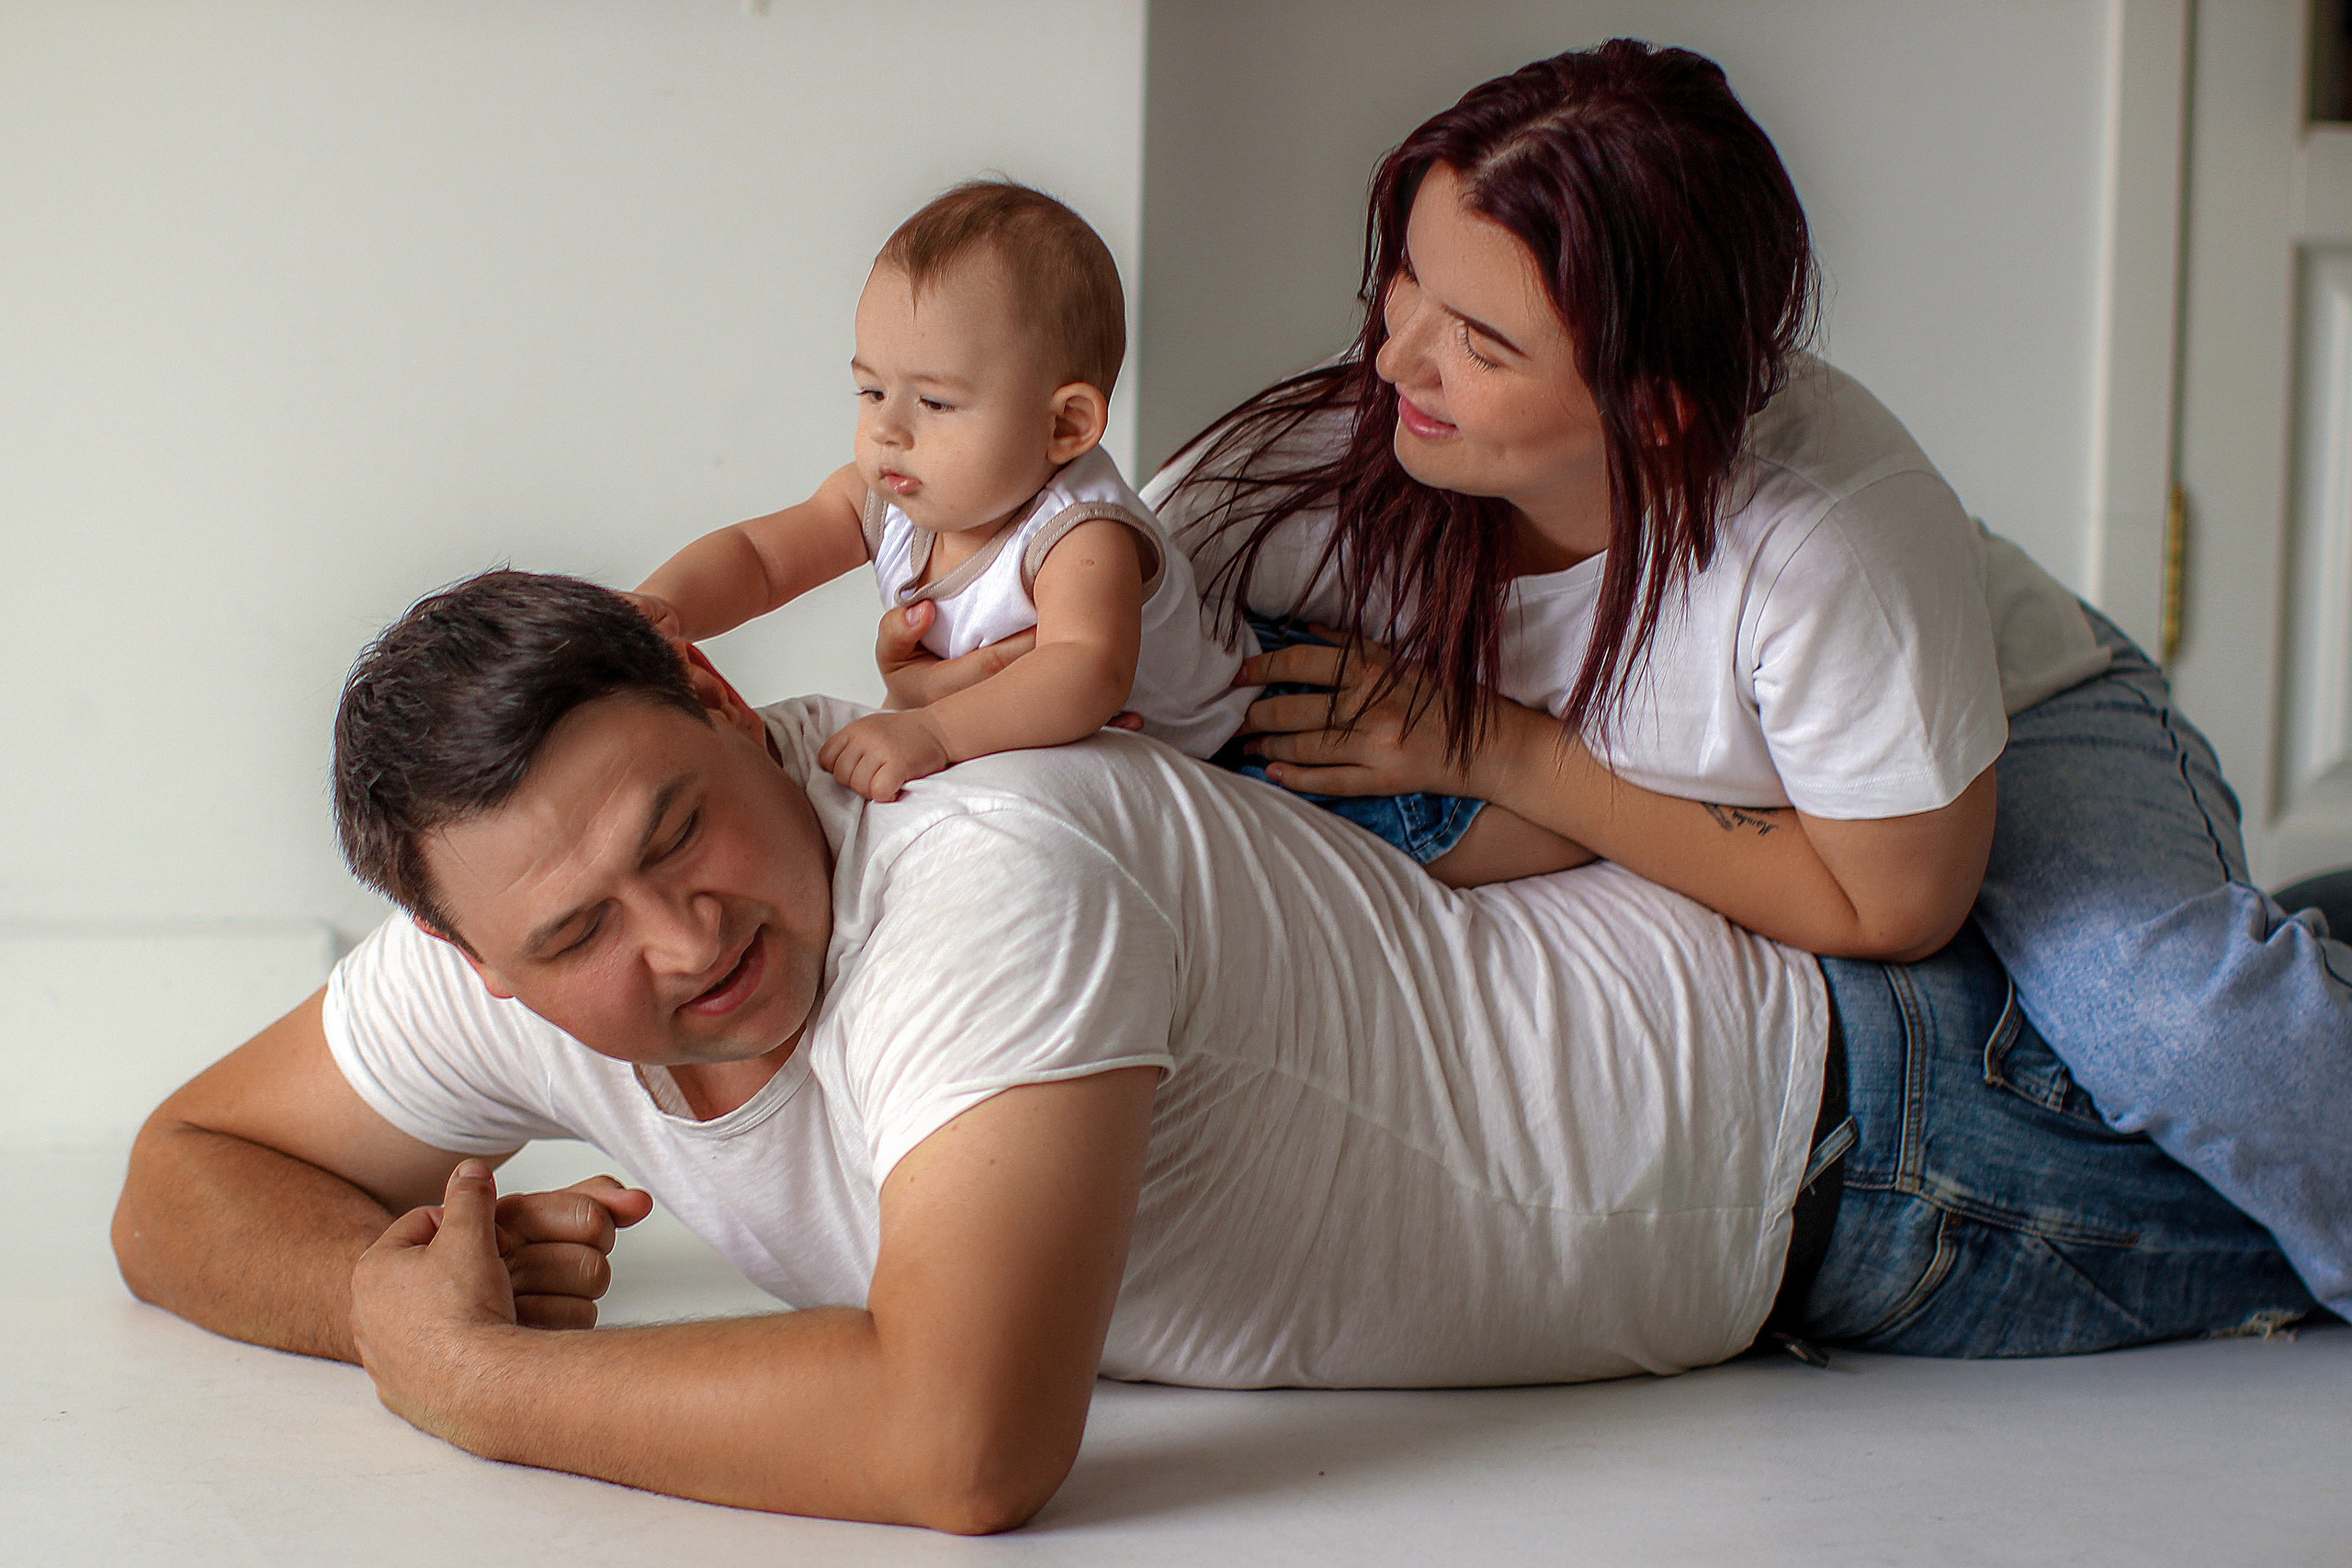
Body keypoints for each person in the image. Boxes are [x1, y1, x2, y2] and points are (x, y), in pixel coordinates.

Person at [112, 570, 2314, 1532]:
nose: (680, 936)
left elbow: (962, 1437)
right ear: (469, 966)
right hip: (1807, 1111)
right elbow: (181, 1162)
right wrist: (378, 1281)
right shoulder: (512, 941)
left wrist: (466, 1376)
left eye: (682, 827)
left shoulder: (977, 868)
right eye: (573, 931)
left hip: (1896, 1136)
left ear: (712, 689)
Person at [1144, 39, 2352, 1321]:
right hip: (1784, 801)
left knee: (2166, 1026)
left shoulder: (1833, 539)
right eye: (1407, 282)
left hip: (2004, 732)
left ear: (1653, 409)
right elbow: (1071, 620)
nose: (1396, 361)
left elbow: (1891, 900)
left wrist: (1504, 752)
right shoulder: (1294, 484)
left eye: (1482, 342)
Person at [631, 179, 1251, 804]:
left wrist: (932, 731)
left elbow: (1088, 669)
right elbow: (760, 559)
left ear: (1064, 425)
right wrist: (665, 606)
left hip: (1230, 757)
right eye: (871, 390)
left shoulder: (1082, 532)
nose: (887, 429)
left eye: (934, 401)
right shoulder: (890, 497)